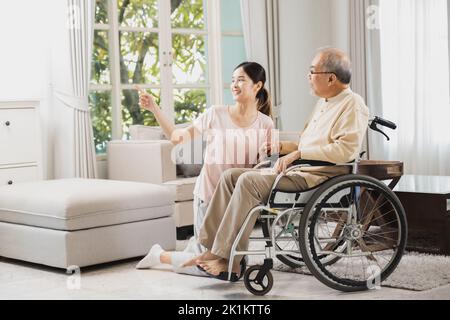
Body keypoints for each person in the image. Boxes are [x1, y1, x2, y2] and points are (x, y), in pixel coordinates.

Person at [182, 47, 370, 280]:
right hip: (301, 168)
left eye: (312, 72)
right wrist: (281, 147)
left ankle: (227, 259)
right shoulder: (325, 102)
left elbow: (345, 150)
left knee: (248, 180)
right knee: (230, 175)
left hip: (317, 175)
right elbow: (306, 141)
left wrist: (297, 154)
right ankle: (212, 250)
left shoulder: (353, 104)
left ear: (331, 78)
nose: (308, 77)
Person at [135, 62, 275, 277]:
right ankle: (160, 255)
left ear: (257, 86)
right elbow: (176, 138)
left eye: (241, 80)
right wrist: (154, 108)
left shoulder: (266, 124)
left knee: (234, 268)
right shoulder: (216, 114)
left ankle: (194, 247)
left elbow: (265, 167)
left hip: (238, 205)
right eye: (233, 79)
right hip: (209, 198)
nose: (235, 84)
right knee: (219, 270)